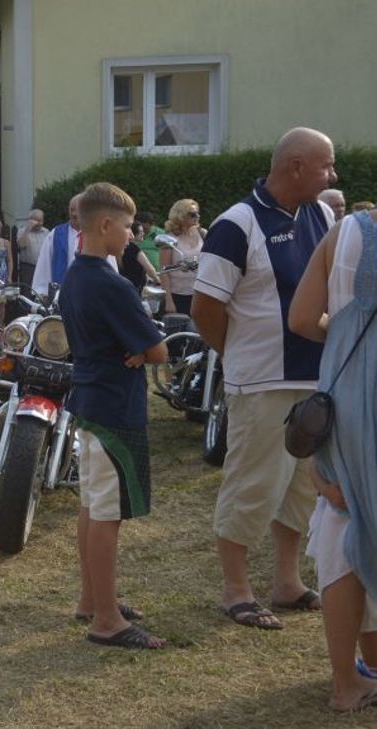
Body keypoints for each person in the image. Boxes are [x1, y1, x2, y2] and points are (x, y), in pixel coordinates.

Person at [192, 126, 336, 630]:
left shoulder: (320, 213)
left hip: (315, 376)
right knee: (254, 482)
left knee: (300, 487)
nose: (332, 175)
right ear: (295, 166)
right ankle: (235, 589)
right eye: (326, 165)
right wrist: (237, 354)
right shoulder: (237, 223)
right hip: (261, 382)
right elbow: (205, 305)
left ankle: (287, 581)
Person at [59, 182, 168, 650]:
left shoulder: (75, 277)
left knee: (91, 505)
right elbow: (159, 349)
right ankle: (106, 620)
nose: (133, 236)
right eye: (128, 227)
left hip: (89, 400)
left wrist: (136, 351)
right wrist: (143, 354)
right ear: (104, 225)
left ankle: (91, 599)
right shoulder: (112, 283)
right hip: (113, 410)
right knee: (107, 514)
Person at [290, 206, 377, 712]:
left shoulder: (345, 232)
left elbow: (302, 318)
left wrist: (347, 332)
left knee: (344, 520)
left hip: (345, 401)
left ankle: (346, 682)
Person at [159, 198, 205, 315]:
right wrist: (169, 300)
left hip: (199, 293)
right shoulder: (168, 238)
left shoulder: (203, 233)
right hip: (177, 295)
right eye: (192, 214)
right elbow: (164, 271)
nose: (197, 216)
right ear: (181, 215)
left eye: (198, 213)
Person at [119, 221, 159, 293]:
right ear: (134, 233)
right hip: (134, 287)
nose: (143, 233)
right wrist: (158, 281)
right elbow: (150, 270)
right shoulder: (134, 248)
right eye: (140, 232)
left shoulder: (122, 247)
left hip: (124, 285)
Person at [17, 209, 48, 288]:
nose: (38, 223)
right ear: (30, 220)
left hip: (42, 267)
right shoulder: (22, 231)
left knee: (42, 291)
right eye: (36, 220)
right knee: (27, 291)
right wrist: (28, 229)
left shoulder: (46, 232)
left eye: (40, 220)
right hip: (28, 267)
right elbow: (22, 245)